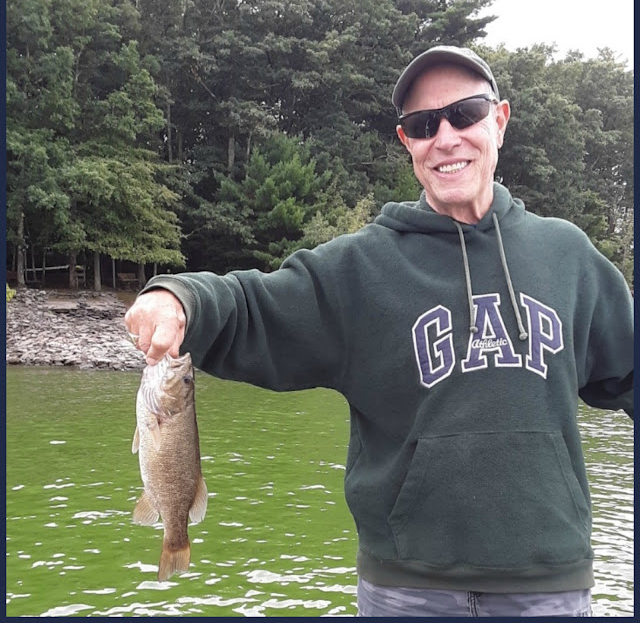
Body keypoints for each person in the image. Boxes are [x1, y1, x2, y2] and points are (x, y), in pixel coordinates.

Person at [125, 45, 633, 617]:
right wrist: (179, 297)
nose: (446, 138)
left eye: (465, 114)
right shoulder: (362, 268)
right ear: (406, 141)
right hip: (406, 592)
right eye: (423, 125)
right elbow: (253, 306)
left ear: (500, 119)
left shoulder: (568, 256)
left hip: (550, 587)